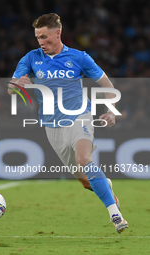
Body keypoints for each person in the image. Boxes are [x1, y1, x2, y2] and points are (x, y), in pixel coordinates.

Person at [8, 13, 128, 233]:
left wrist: (112, 111)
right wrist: (17, 84)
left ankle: (115, 215)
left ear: (58, 33)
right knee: (85, 182)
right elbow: (10, 89)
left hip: (79, 116)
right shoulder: (31, 58)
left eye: (44, 37)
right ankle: (106, 187)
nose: (41, 42)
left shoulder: (80, 57)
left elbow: (108, 87)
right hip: (52, 126)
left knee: (84, 158)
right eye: (37, 38)